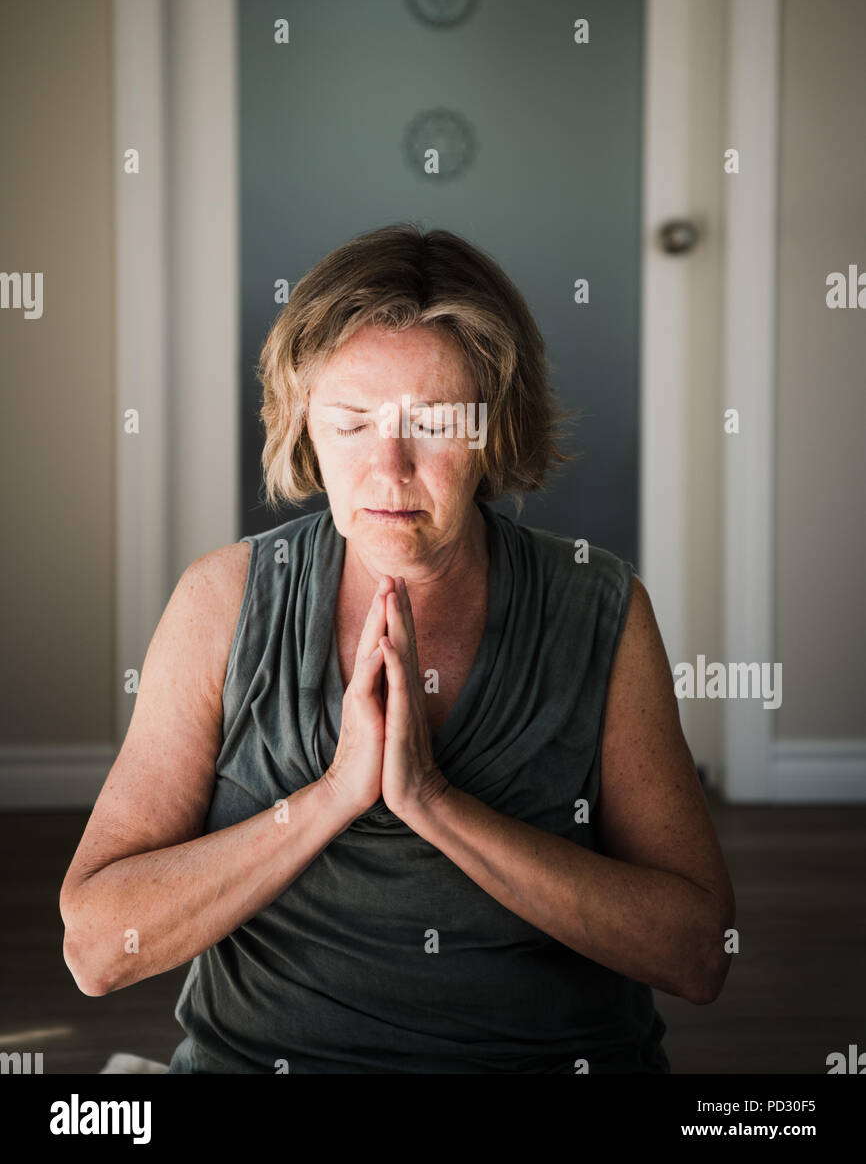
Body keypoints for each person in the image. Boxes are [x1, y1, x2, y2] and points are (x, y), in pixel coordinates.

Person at [60, 223, 735, 1074]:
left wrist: (434, 803)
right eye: (350, 424)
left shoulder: (597, 608)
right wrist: (333, 797)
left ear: (496, 430)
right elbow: (95, 948)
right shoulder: (220, 601)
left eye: (436, 425)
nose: (390, 466)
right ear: (305, 429)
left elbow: (698, 955)